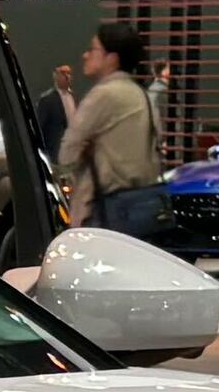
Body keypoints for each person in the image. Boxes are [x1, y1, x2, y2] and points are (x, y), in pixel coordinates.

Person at [54, 26, 165, 237]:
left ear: (111, 58)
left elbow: (67, 153)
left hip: (103, 211)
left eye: (93, 49)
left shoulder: (104, 95)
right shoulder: (142, 95)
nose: (85, 55)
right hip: (141, 209)